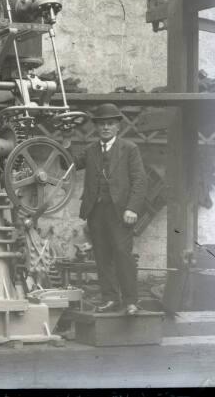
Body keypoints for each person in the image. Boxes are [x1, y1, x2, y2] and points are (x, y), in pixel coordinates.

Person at [74, 103, 147, 316]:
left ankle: (131, 301)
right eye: (101, 124)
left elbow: (140, 181)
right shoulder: (90, 150)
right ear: (96, 127)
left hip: (120, 213)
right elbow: (67, 163)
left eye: (110, 124)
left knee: (123, 255)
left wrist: (132, 208)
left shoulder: (129, 149)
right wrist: (66, 140)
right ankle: (110, 299)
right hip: (96, 212)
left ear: (117, 127)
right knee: (102, 256)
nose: (105, 127)